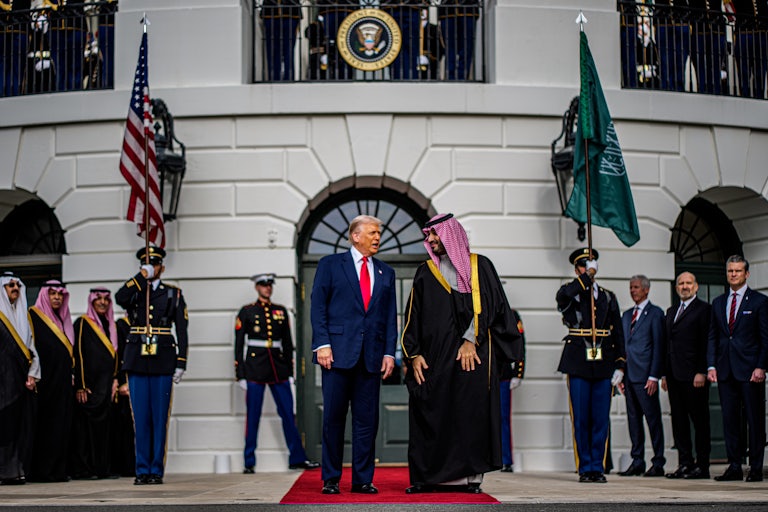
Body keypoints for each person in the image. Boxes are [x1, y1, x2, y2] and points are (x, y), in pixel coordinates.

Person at [400, 213, 522, 493]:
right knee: (431, 411)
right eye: (428, 235)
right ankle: (428, 478)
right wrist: (413, 354)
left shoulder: (480, 267)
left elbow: (494, 307)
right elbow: (412, 317)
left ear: (451, 234)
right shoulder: (425, 272)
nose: (429, 239)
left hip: (472, 358)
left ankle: (470, 479)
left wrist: (471, 340)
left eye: (434, 234)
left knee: (470, 414)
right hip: (434, 360)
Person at [310, 215, 398, 495]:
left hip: (371, 357)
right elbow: (317, 307)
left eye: (379, 233)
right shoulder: (330, 265)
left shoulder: (386, 272)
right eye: (372, 232)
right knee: (333, 418)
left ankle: (362, 479)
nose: (377, 238)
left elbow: (389, 317)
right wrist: (322, 344)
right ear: (355, 235)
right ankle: (331, 478)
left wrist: (389, 352)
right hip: (335, 355)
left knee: (366, 421)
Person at [115, 246, 189, 485]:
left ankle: (156, 470)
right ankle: (141, 470)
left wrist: (181, 362)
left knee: (159, 418)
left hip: (163, 360)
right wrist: (140, 278)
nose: (150, 267)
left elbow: (182, 330)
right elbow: (119, 298)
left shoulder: (173, 294)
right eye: (146, 264)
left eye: (154, 264)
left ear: (162, 268)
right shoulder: (135, 290)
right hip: (137, 359)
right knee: (141, 418)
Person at [235, 273, 319, 473]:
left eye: (270, 285)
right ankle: (249, 462)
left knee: (288, 415)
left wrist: (290, 372)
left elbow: (288, 344)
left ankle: (297, 458)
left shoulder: (280, 311)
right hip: (255, 367)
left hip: (278, 367)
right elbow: (239, 344)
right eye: (263, 285)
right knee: (253, 417)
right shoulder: (247, 311)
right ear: (257, 287)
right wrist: (241, 373)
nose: (267, 288)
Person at [556, 248, 625, 484]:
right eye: (583, 266)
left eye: (591, 264)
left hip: (603, 360)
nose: (588, 269)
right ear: (576, 270)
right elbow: (563, 298)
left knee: (600, 418)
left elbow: (618, 332)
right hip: (578, 362)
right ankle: (585, 466)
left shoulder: (607, 296)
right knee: (582, 418)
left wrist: (620, 364)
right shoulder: (570, 292)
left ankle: (598, 466)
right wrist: (586, 278)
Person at [707, 254, 768, 482]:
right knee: (730, 419)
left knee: (754, 420)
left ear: (746, 274)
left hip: (750, 371)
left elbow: (765, 338)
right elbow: (713, 336)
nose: (733, 274)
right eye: (730, 271)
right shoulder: (719, 302)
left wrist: (761, 366)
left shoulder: (759, 301)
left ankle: (755, 468)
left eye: (737, 271)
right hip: (725, 370)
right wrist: (711, 365)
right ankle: (734, 466)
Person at [662, 271, 711, 480]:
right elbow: (667, 344)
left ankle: (702, 465)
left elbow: (705, 342)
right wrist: (664, 374)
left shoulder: (704, 310)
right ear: (676, 288)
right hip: (673, 375)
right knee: (679, 421)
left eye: (688, 283)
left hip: (694, 376)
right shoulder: (671, 311)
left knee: (699, 421)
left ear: (696, 286)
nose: (684, 286)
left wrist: (702, 370)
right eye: (681, 283)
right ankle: (685, 463)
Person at [617, 275, 666, 478]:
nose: (632, 290)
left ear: (646, 290)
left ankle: (658, 462)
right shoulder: (627, 315)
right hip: (629, 376)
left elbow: (658, 346)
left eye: (636, 287)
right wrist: (620, 374)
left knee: (653, 420)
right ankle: (637, 460)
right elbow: (622, 345)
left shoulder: (655, 314)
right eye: (630, 287)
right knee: (633, 421)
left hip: (646, 377)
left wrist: (654, 376)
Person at [27, 279, 75, 483]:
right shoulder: (33, 316)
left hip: (63, 383)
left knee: (62, 427)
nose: (56, 297)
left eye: (60, 294)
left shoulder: (64, 319)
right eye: (52, 293)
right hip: (44, 383)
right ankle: (42, 471)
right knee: (45, 427)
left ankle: (58, 471)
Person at [70, 287, 119, 480]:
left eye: (106, 299)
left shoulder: (110, 325)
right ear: (91, 301)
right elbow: (78, 354)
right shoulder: (82, 323)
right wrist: (81, 384)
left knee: (104, 431)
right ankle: (84, 470)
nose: (102, 302)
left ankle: (102, 469)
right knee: (85, 432)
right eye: (98, 299)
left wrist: (115, 378)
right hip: (89, 387)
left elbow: (114, 356)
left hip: (106, 387)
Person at [0, 272, 39, 485]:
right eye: (10, 285)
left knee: (18, 428)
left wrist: (33, 374)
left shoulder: (24, 317)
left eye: (17, 285)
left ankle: (14, 471)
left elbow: (31, 348)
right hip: (2, 381)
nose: (15, 288)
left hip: (20, 381)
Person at [499, 308, 526, 473]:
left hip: (502, 374)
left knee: (503, 418)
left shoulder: (511, 315)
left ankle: (506, 460)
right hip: (481, 374)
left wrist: (518, 372)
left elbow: (520, 343)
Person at [109, 314, 135, 477]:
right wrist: (119, 380)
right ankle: (125, 467)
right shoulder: (121, 326)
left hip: (139, 382)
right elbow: (117, 356)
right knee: (124, 427)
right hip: (125, 384)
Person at [732, 0, 768, 99]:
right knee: (744, 70)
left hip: (761, 33)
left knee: (760, 70)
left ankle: (759, 96)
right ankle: (745, 95)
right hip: (745, 32)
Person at [654, 0, 691, 92]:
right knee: (665, 60)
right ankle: (666, 88)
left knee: (680, 61)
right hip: (663, 21)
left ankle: (678, 88)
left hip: (681, 21)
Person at [437, 0, 480, 80]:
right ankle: (450, 77)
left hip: (468, 9)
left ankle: (462, 76)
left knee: (467, 47)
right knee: (449, 48)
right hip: (447, 10)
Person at [260, 0, 301, 81]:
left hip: (291, 13)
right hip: (271, 13)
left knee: (288, 51)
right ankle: (273, 79)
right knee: (273, 51)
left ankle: (289, 79)